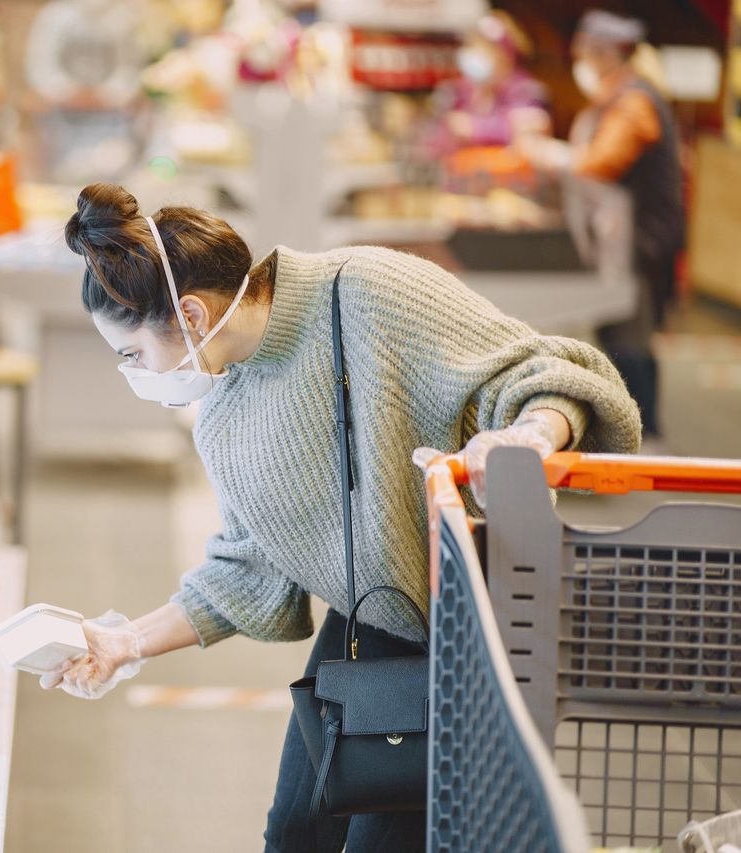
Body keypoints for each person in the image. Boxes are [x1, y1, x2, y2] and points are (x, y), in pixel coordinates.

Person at [44, 182, 641, 851]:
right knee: (295, 833)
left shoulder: (369, 290)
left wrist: (529, 435)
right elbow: (247, 571)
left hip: (481, 624)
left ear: (190, 312)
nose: (135, 374)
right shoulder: (222, 415)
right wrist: (123, 643)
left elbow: (547, 368)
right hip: (374, 623)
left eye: (131, 354)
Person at [521, 10, 685, 443]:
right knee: (620, 334)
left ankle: (648, 437)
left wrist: (549, 154)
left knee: (630, 338)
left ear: (606, 56)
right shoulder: (616, 97)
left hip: (641, 241)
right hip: (621, 239)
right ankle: (634, 431)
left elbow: (602, 162)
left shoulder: (635, 102)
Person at [431, 11, 550, 153]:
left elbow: (528, 129)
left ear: (504, 54)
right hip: (467, 171)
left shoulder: (526, 90)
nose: (473, 54)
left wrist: (475, 128)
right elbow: (439, 139)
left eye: (483, 48)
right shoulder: (460, 91)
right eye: (470, 46)